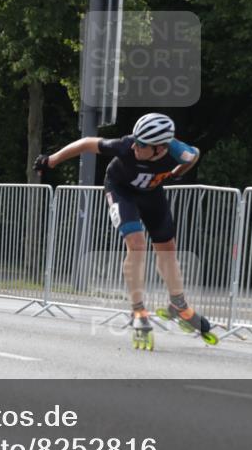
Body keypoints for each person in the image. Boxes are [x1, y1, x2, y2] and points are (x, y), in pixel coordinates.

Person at [33, 112, 213, 349]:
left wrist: (176, 173)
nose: (136, 146)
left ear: (160, 148)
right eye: (136, 141)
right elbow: (86, 143)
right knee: (136, 245)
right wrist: (52, 160)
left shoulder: (179, 151)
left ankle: (178, 304)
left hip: (151, 194)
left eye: (142, 144)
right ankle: (138, 311)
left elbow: (194, 155)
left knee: (168, 250)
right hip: (120, 191)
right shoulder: (126, 145)